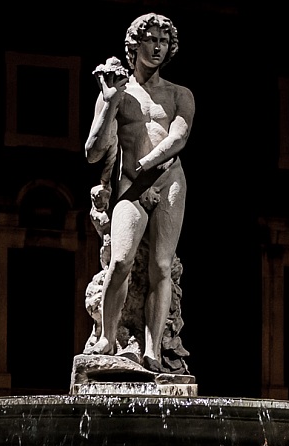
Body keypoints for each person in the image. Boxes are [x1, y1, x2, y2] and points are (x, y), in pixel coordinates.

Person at [85, 13, 194, 373]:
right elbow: (93, 151)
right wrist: (110, 102)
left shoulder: (180, 95)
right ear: (134, 45)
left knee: (162, 266)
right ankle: (107, 338)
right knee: (120, 261)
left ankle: (152, 351)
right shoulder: (117, 91)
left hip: (168, 180)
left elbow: (178, 138)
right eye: (150, 39)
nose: (158, 46)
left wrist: (147, 165)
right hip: (130, 187)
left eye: (164, 40)